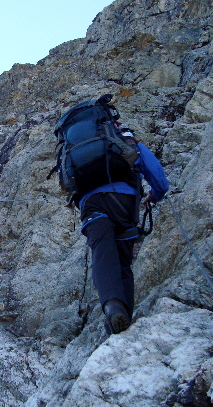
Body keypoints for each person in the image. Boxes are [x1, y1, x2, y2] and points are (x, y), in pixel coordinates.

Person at [77, 126, 169, 335]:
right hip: (124, 201)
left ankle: (112, 306)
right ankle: (122, 322)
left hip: (91, 205)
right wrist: (155, 195)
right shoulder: (125, 139)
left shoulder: (77, 147)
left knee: (102, 251)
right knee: (122, 263)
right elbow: (157, 177)